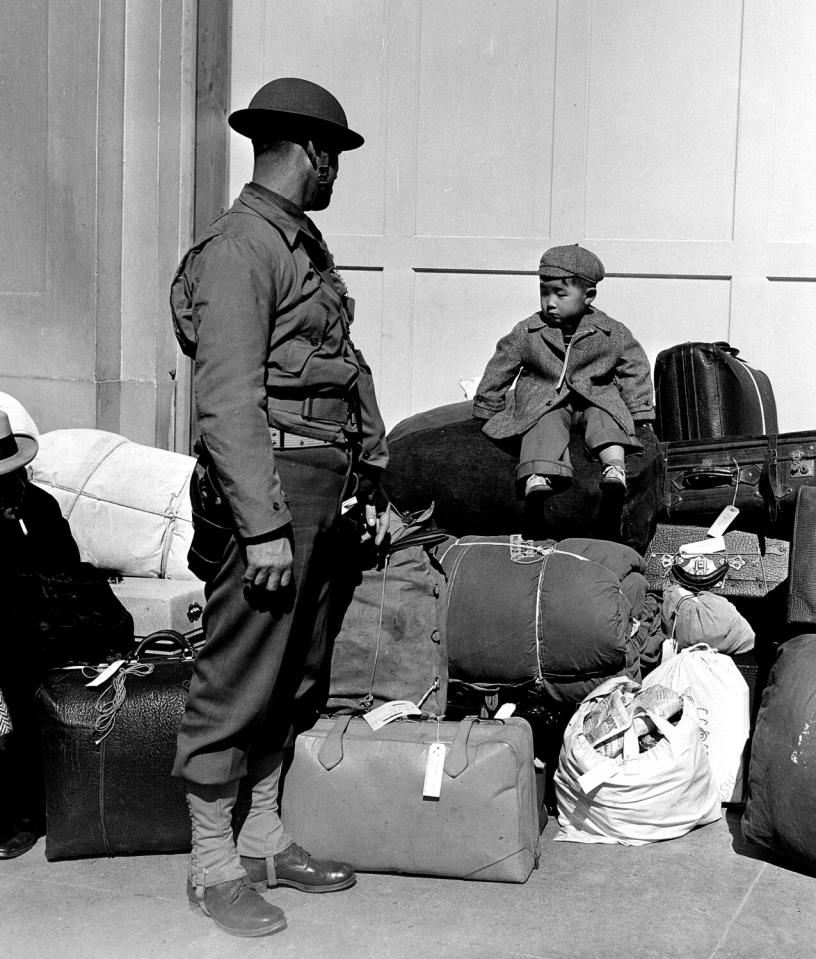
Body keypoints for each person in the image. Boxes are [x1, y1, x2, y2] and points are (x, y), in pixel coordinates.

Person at [169, 77, 389, 938]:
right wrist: (260, 522)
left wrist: (369, 473)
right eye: (335, 155)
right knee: (238, 673)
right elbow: (226, 400)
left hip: (320, 487)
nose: (338, 171)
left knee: (294, 672)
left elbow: (343, 367)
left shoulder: (303, 247)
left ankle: (261, 837)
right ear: (312, 152)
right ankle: (211, 864)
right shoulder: (241, 248)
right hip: (271, 487)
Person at [472, 244, 654, 500]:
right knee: (542, 422)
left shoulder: (612, 332)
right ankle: (538, 475)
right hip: (545, 398)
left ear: (588, 296)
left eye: (560, 294)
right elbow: (502, 365)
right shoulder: (528, 332)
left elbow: (634, 367)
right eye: (544, 293)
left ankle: (614, 467)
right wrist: (487, 405)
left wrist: (639, 411)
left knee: (606, 416)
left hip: (595, 395)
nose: (550, 303)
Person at [0, 396, 83, 859]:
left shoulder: (39, 508)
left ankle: (26, 815)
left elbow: (65, 575)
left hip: (37, 634)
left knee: (20, 697)